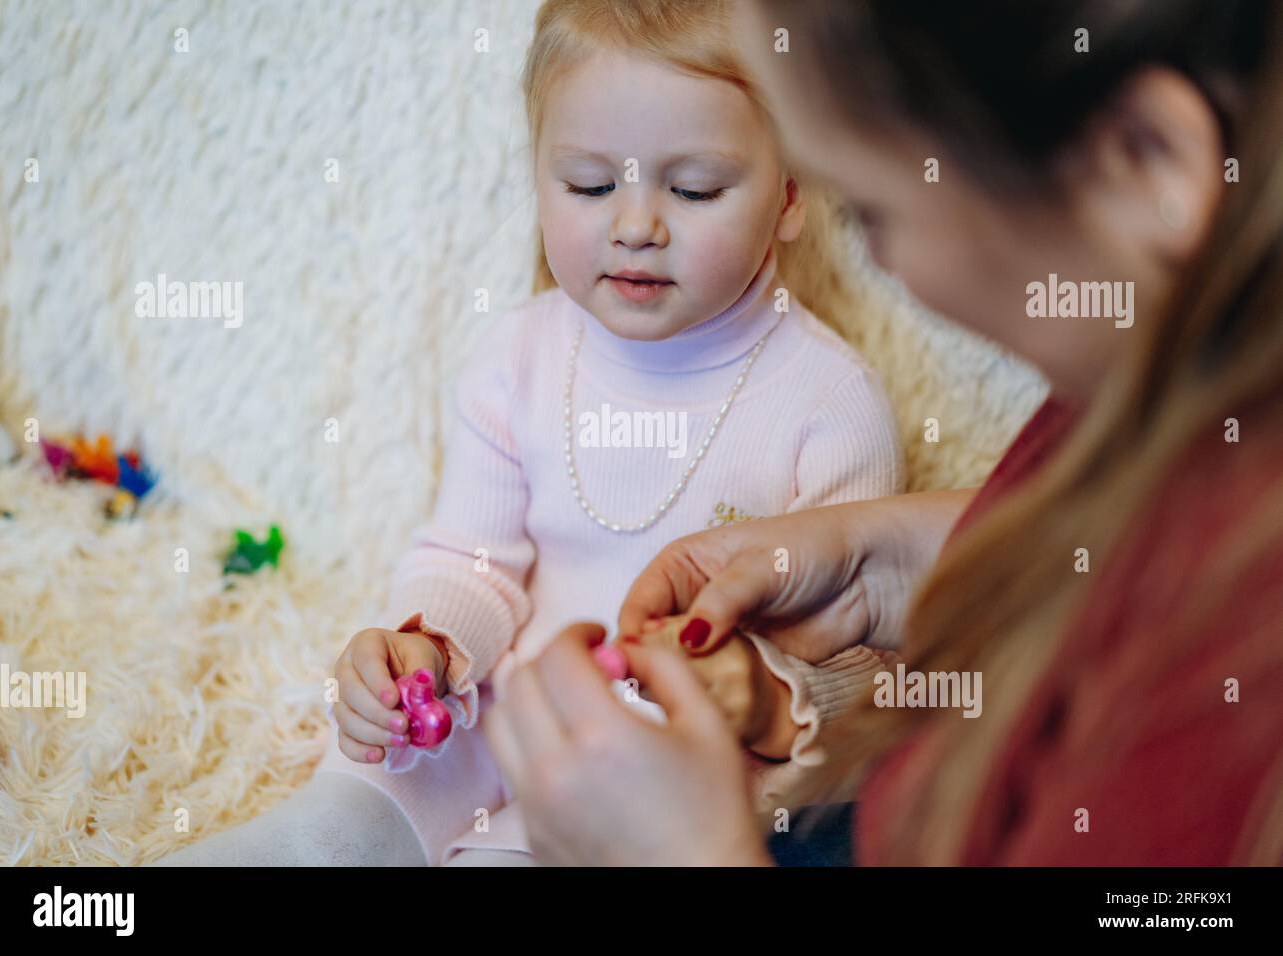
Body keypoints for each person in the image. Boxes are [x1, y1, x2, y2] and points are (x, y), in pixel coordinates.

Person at [484, 0, 1283, 866]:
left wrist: (689, 852)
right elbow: (1123, 546)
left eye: (872, 211)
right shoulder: (1163, 382)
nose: (881, 263)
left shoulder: (1222, 689)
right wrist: (900, 556)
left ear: (1145, 161)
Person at [155, 0, 904, 867]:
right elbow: (472, 558)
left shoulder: (828, 404)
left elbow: (859, 669)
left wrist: (765, 696)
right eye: (588, 185)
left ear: (791, 194)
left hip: (661, 775)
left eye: (694, 189)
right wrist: (424, 649)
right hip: (493, 712)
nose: (635, 225)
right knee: (339, 822)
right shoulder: (519, 353)